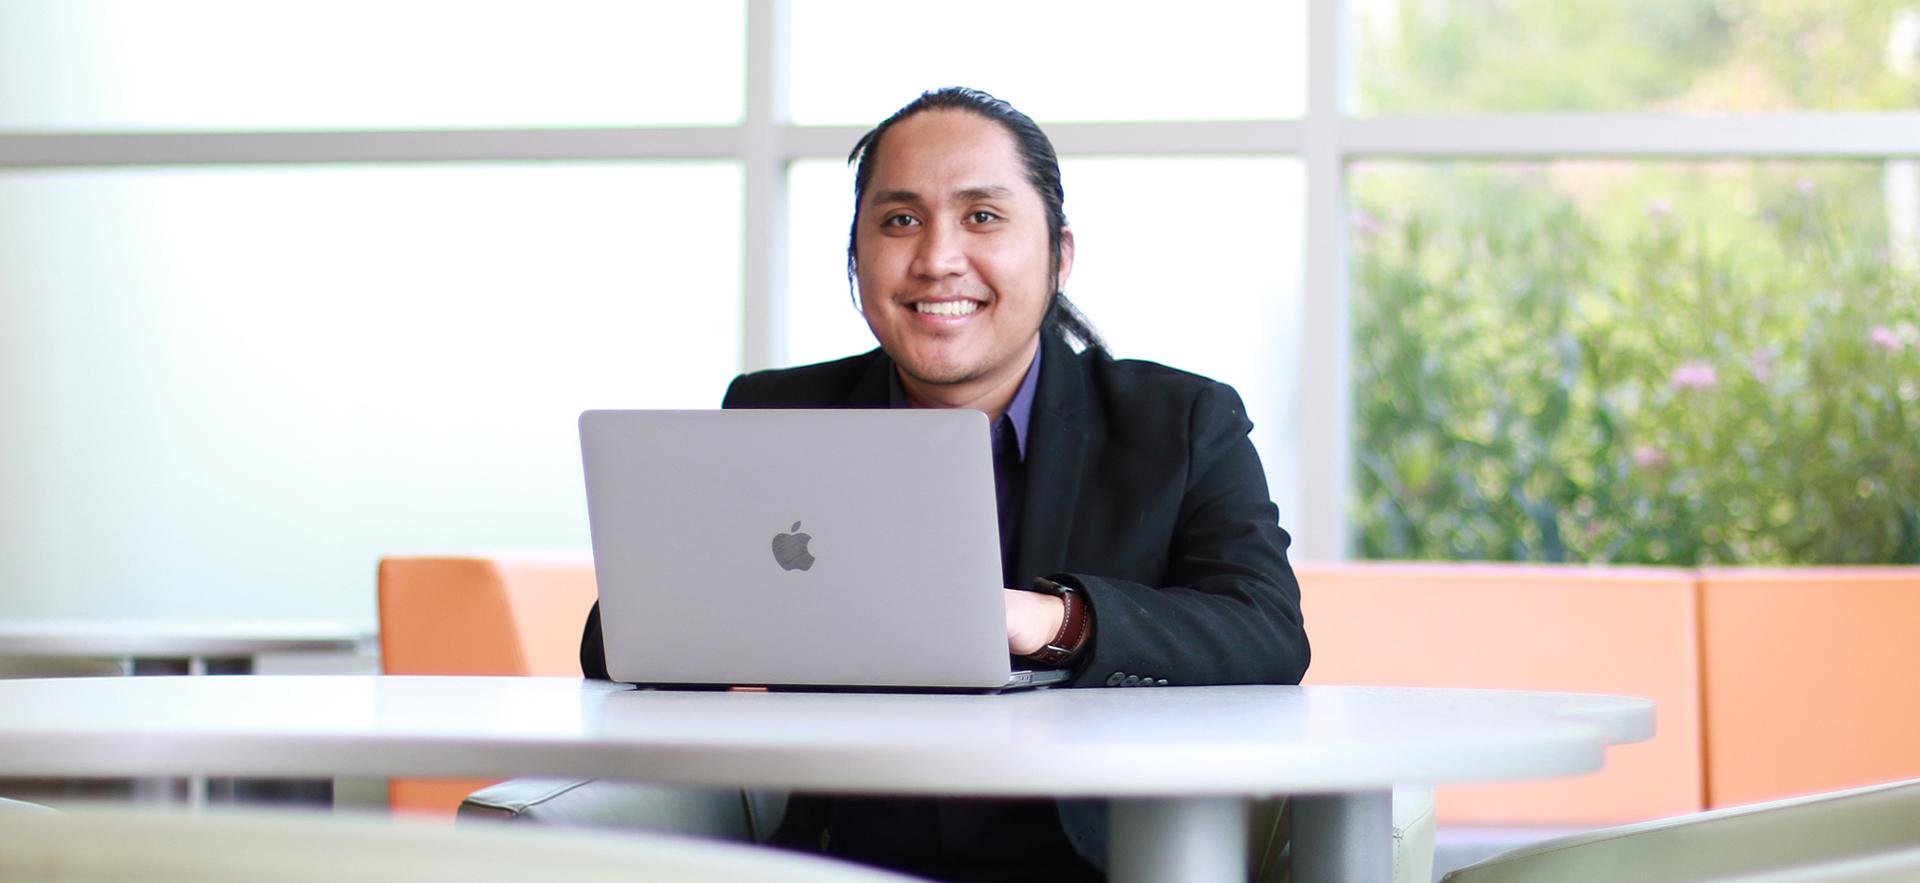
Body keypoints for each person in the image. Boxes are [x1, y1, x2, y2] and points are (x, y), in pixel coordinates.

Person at [580, 86, 1309, 882]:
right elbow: (617, 636)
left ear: (1059, 255)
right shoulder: (779, 410)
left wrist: (1051, 620)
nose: (936, 257)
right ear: (856, 258)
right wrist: (736, 627)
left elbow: (1266, 627)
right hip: (838, 862)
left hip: (1098, 864)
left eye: (982, 217)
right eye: (899, 220)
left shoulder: (1180, 420)